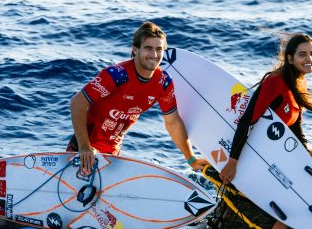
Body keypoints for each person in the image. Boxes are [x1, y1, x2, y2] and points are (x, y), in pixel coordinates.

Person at [219, 33, 312, 229]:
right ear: (289, 58)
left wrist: (303, 153)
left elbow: (295, 124)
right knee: (304, 180)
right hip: (263, 151)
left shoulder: (298, 81)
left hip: (280, 147)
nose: (309, 58)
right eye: (302, 54)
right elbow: (246, 121)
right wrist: (233, 161)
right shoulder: (275, 82)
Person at [68, 21, 208, 174]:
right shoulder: (117, 75)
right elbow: (77, 103)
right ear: (135, 50)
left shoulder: (163, 82)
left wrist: (191, 159)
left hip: (112, 155)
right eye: (148, 48)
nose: (154, 55)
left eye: (159, 49)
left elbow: (173, 122)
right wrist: (84, 147)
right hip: (83, 152)